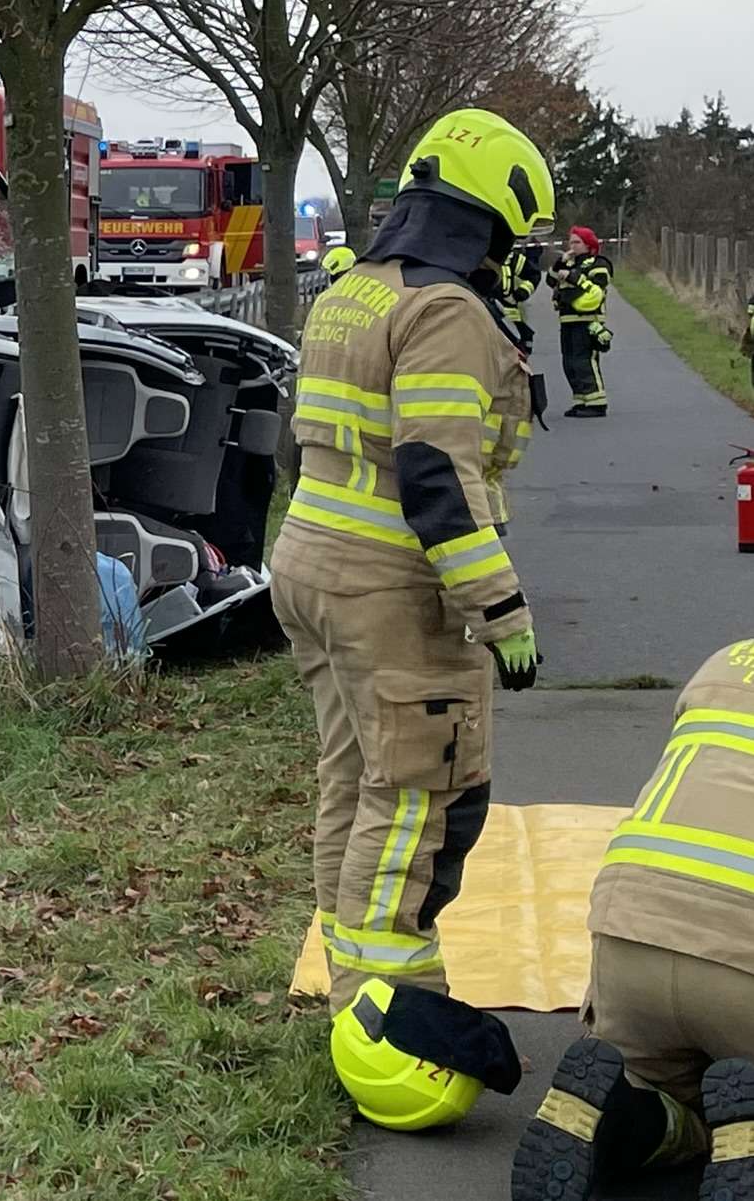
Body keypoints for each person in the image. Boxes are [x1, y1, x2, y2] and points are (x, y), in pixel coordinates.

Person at [271, 109, 551, 1116]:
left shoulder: (351, 290)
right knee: (422, 799)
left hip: (310, 563)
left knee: (354, 782)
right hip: (390, 587)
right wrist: (502, 608)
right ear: (488, 221)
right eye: (514, 241)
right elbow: (437, 472)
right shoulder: (446, 312)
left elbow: (296, 440)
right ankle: (390, 1021)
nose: (515, 263)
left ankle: (351, 995)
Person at [509, 640, 754, 1199]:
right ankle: (744, 1134)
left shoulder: (726, 660)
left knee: (662, 1093)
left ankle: (617, 1115)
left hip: (630, 940)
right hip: (745, 974)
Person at [551, 225, 614, 417]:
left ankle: (597, 403)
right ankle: (581, 401)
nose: (573, 246)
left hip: (588, 319)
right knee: (569, 362)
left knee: (584, 360)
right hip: (567, 319)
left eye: (577, 242)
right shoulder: (569, 263)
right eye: (571, 242)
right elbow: (551, 281)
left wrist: (572, 276)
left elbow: (598, 286)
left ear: (588, 244)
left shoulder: (598, 263)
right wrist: (561, 263)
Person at [499, 242, 542, 354]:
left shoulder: (511, 257)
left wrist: (521, 293)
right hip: (477, 316)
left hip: (510, 322)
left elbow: (534, 275)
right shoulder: (472, 257)